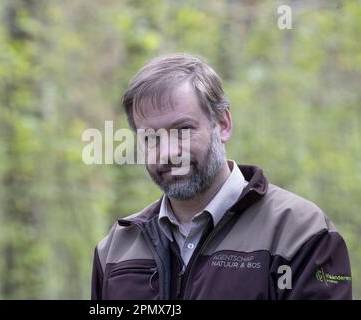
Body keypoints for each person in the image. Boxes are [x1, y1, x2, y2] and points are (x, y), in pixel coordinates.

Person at [91, 53, 352, 299]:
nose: (168, 152)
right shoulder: (115, 249)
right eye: (150, 138)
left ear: (223, 124)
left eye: (182, 129)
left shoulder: (300, 232)